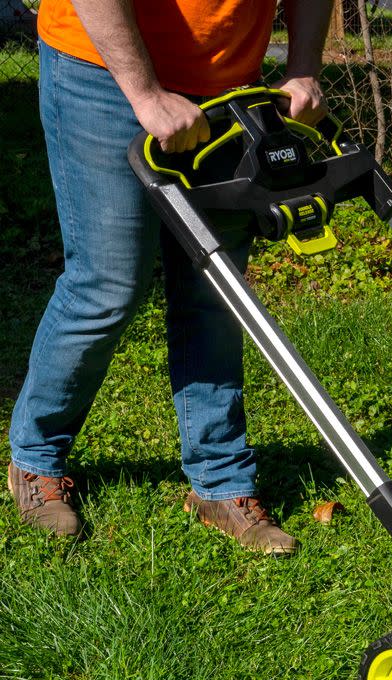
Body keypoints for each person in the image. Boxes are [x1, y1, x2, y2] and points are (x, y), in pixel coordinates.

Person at [7, 0, 332, 554]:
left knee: (217, 291)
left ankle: (222, 483)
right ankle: (36, 459)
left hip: (229, 83)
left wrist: (303, 67)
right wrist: (145, 93)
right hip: (102, 71)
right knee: (107, 286)